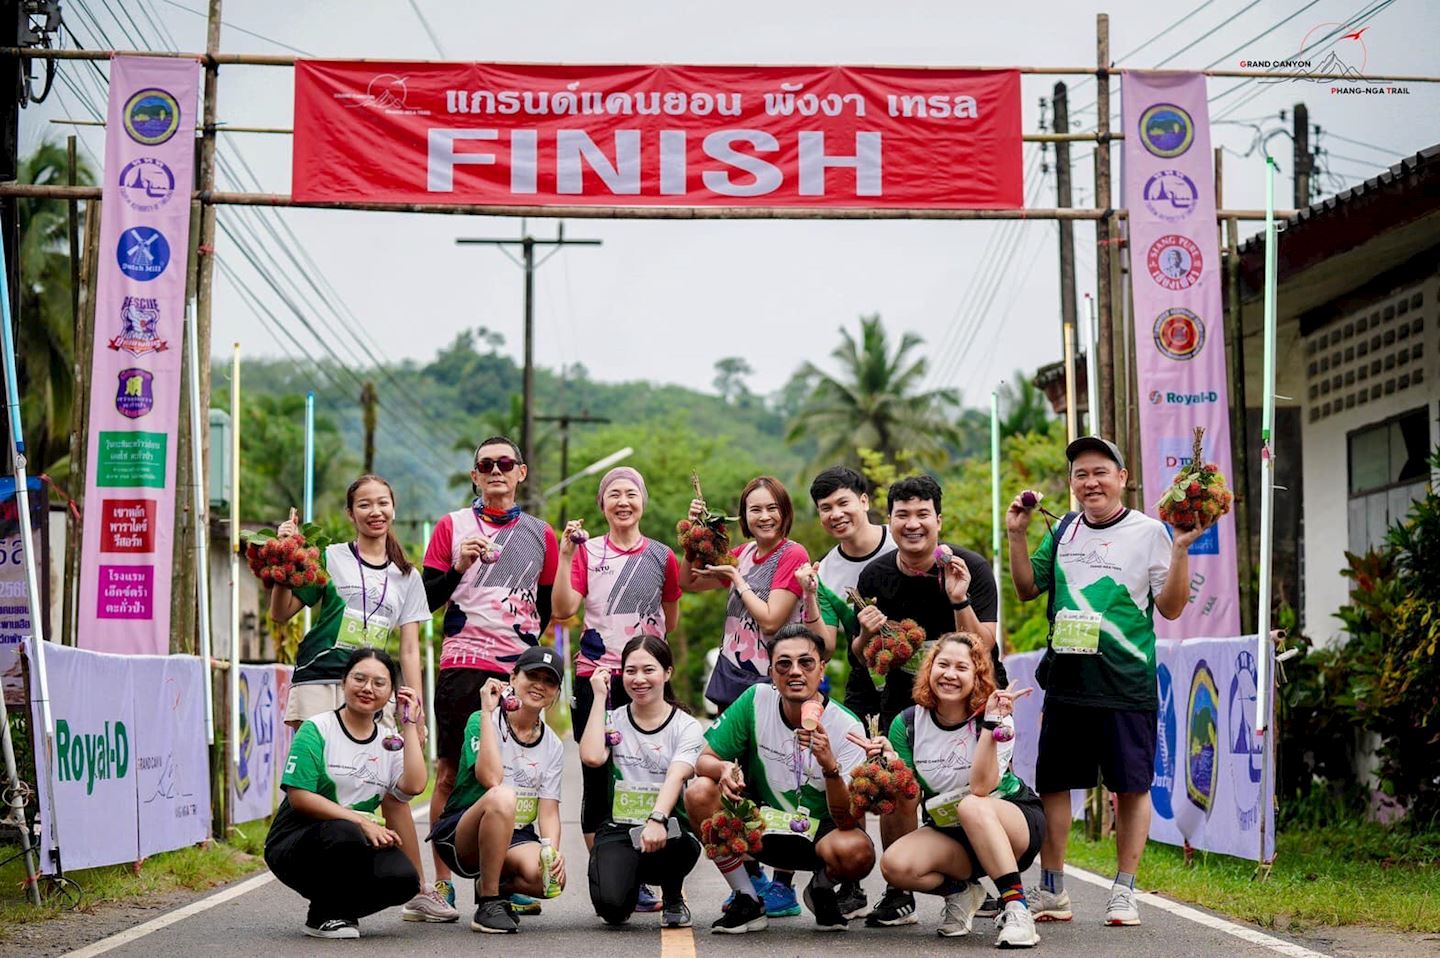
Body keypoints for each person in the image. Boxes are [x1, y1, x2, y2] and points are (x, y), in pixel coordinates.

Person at [1007, 436, 1208, 927]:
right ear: (1072, 484)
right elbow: (1027, 588)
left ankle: (1124, 892)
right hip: (1068, 682)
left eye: (1101, 471)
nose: (1090, 481)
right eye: (1080, 474)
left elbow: (1173, 607)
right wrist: (1016, 534)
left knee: (1131, 786)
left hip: (1126, 682)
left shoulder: (1150, 532)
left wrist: (1181, 549)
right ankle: (1052, 890)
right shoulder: (1062, 532)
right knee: (1054, 784)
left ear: (1122, 478)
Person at [270, 475, 453, 922]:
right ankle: (323, 885)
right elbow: (280, 612)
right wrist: (285, 559)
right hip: (320, 679)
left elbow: (409, 647)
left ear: (393, 509)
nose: (375, 512)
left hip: (373, 685)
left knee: (393, 788)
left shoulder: (406, 576)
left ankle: (421, 889)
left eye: (383, 503)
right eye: (365, 504)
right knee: (317, 781)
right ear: (350, 514)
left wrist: (415, 709)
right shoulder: (329, 557)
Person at [851, 474, 1001, 928]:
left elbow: (987, 646)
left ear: (939, 519)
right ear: (889, 520)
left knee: (974, 792)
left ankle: (993, 878)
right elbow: (861, 658)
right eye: (902, 515)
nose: (912, 524)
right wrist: (867, 634)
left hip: (972, 705)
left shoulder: (968, 567)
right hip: (906, 705)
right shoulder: (874, 576)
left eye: (922, 515)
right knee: (899, 790)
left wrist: (958, 599)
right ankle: (901, 893)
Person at [423, 436, 559, 913]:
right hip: (463, 664)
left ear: (521, 472)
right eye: (487, 464)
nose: (496, 470)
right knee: (449, 772)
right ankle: (441, 884)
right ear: (475, 475)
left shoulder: (543, 534)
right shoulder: (451, 525)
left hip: (517, 671)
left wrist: (520, 652)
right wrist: (459, 563)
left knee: (509, 775)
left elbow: (544, 608)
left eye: (506, 463)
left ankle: (502, 879)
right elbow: (427, 598)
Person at [679, 474, 823, 918]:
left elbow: (772, 620)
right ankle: (752, 875)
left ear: (784, 512)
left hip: (781, 682)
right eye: (754, 509)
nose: (764, 516)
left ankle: (783, 882)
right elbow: (689, 582)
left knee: (782, 777)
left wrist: (737, 579)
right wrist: (694, 538)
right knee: (733, 777)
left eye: (771, 508)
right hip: (735, 677)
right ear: (743, 515)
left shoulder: (791, 554)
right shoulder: (742, 553)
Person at [686, 624, 875, 934]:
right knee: (699, 792)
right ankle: (747, 898)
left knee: (857, 851)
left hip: (818, 837)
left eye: (806, 662)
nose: (795, 672)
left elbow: (848, 820)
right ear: (772, 672)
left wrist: (830, 768)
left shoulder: (848, 727)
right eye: (784, 664)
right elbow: (703, 759)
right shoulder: (755, 700)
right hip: (761, 826)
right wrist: (722, 770)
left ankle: (822, 889)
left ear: (821, 670)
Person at [876, 633, 1044, 947]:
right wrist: (889, 768)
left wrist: (991, 724)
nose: (950, 674)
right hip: (951, 831)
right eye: (943, 665)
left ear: (977, 675)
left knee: (971, 804)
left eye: (961, 667)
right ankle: (963, 892)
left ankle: (1017, 909)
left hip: (1010, 821)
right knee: (894, 865)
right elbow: (908, 799)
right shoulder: (907, 724)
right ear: (929, 670)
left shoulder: (995, 715)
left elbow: (982, 787)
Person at [551, 468, 681, 849]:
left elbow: (669, 619)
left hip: (648, 679)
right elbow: (562, 609)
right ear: (602, 504)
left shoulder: (662, 556)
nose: (623, 502)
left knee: (651, 771)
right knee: (597, 773)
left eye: (631, 494)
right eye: (614, 495)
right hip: (598, 677)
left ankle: (652, 863)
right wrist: (564, 556)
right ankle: (603, 871)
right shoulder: (587, 553)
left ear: (643, 501)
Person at [264, 648, 426, 939]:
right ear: (343, 682)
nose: (367, 688)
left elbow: (413, 786)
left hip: (351, 842)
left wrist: (410, 725)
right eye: (359, 679)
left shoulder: (391, 742)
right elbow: (299, 796)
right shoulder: (317, 728)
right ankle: (328, 914)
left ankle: (332, 911)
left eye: (379, 683)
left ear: (391, 693)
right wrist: (361, 821)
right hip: (297, 841)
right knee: (345, 832)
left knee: (404, 879)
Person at [807, 464, 897, 920]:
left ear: (865, 500)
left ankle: (901, 890)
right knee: (854, 778)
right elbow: (826, 644)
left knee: (909, 781)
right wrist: (808, 595)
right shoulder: (826, 572)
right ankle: (854, 883)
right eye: (826, 508)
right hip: (863, 682)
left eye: (844, 502)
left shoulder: (902, 539)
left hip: (917, 680)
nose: (836, 513)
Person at [427, 645, 568, 934]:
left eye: (549, 681)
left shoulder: (553, 744)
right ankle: (489, 903)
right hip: (464, 832)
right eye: (532, 675)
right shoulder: (482, 721)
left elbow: (549, 810)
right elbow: (491, 778)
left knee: (550, 880)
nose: (540, 685)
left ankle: (493, 882)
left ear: (556, 692)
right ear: (513, 678)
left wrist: (551, 852)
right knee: (503, 794)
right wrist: (488, 711)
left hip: (516, 835)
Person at [580, 635, 704, 928]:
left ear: (667, 673)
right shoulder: (614, 719)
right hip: (620, 829)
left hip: (668, 830)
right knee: (612, 910)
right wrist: (599, 697)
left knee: (683, 846)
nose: (639, 679)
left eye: (649, 670)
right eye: (630, 670)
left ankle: (673, 896)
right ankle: (629, 880)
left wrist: (658, 819)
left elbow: (676, 775)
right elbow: (592, 757)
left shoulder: (686, 726)